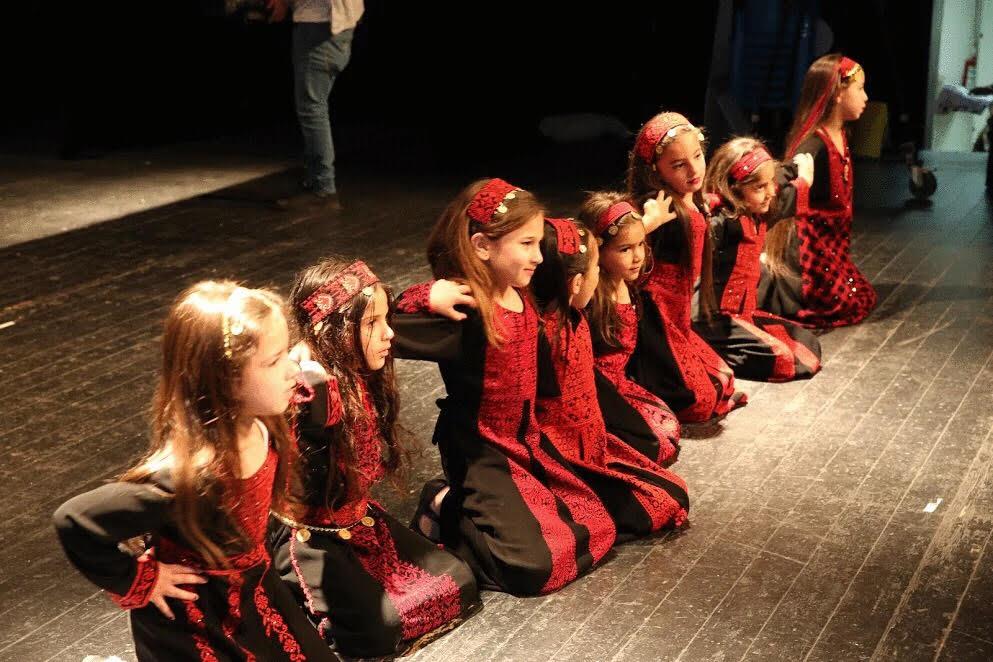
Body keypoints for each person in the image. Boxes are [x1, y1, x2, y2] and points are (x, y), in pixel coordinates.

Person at [53, 282, 334, 661]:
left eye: (287, 353)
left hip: (253, 587)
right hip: (199, 615)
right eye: (273, 361)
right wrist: (138, 579)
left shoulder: (261, 421)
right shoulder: (190, 478)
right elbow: (74, 519)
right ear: (223, 379)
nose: (291, 370)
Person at [393, 178, 616, 596]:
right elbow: (385, 327)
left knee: (595, 524)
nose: (538, 256)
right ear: (482, 246)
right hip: (482, 452)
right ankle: (444, 506)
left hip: (525, 442)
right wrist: (426, 295)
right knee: (533, 567)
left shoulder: (519, 293)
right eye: (526, 244)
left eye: (538, 243)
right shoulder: (467, 307)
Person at [271, 258, 480, 658]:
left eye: (385, 319)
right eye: (371, 323)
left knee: (457, 580)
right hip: (313, 534)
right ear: (329, 330)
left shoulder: (353, 370)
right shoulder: (304, 391)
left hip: (358, 519)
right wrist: (316, 404)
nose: (389, 333)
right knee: (378, 628)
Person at [531, 217, 689, 540]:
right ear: (577, 283)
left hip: (592, 439)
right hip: (565, 452)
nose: (599, 275)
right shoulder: (546, 332)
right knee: (657, 505)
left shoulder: (573, 318)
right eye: (595, 269)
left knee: (673, 491)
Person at [625, 112, 746, 423]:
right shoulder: (661, 206)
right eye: (679, 165)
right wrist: (646, 225)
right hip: (655, 317)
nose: (694, 170)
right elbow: (622, 251)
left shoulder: (689, 198)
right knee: (699, 402)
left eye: (697, 156)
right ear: (655, 170)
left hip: (678, 315)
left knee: (723, 379)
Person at [759, 54, 877, 327]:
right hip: (810, 256)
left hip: (832, 253)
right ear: (838, 94)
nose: (866, 97)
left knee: (861, 296)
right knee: (845, 304)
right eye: (860, 89)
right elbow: (778, 188)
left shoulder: (841, 137)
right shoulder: (813, 147)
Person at [695, 136, 822, 381]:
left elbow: (780, 180)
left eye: (769, 184)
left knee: (807, 345)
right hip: (715, 320)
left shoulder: (760, 212)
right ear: (734, 189)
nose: (770, 193)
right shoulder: (723, 222)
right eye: (759, 188)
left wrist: (799, 172)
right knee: (782, 360)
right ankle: (704, 349)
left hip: (745, 314)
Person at [268, 0, 365, 211]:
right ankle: (316, 181)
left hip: (320, 30)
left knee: (313, 110)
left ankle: (323, 188)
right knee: (313, 108)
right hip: (325, 28)